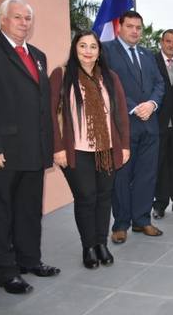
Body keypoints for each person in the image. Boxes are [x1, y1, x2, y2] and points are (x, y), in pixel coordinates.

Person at [0, 0, 60, 294]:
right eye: (18, 17)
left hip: (34, 149)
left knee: (30, 209)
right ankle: (5, 271)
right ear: (3, 20)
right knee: (0, 212)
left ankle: (29, 259)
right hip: (3, 151)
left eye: (28, 18)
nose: (23, 23)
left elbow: (43, 105)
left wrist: (49, 147)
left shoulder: (39, 55)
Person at [49, 31, 130, 269]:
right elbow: (50, 115)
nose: (88, 50)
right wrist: (58, 148)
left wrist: (124, 145)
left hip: (106, 149)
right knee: (85, 198)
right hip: (76, 150)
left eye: (93, 46)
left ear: (99, 51)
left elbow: (121, 114)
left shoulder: (110, 77)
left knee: (104, 198)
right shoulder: (61, 75)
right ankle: (88, 247)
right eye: (82, 45)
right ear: (75, 48)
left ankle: (101, 243)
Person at [103, 10, 165, 244]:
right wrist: (133, 107)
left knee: (146, 175)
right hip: (123, 124)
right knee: (122, 175)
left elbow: (159, 83)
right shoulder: (106, 51)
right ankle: (120, 224)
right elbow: (105, 83)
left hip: (150, 124)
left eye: (138, 27)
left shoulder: (147, 54)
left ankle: (142, 220)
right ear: (120, 27)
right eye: (130, 26)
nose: (135, 31)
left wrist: (151, 103)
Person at [152, 29, 173, 219]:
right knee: (160, 164)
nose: (171, 45)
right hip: (158, 123)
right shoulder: (152, 62)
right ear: (161, 42)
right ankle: (160, 204)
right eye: (168, 41)